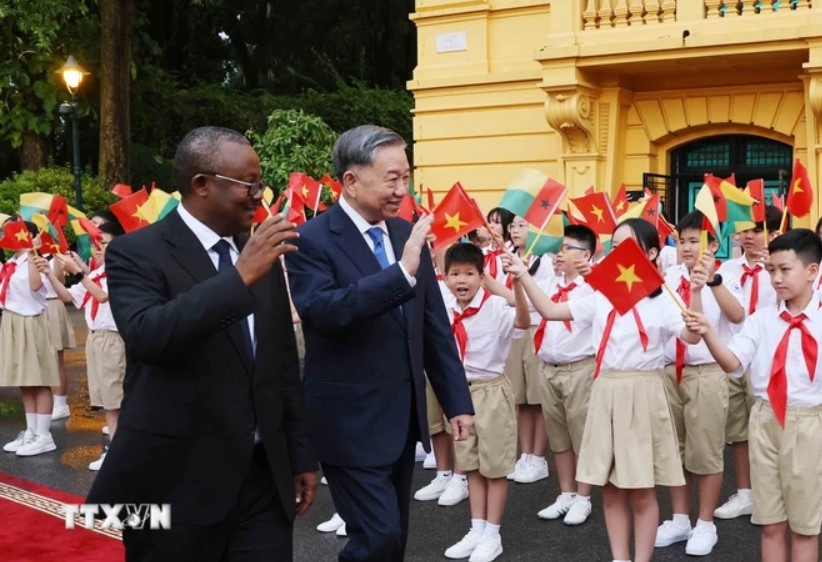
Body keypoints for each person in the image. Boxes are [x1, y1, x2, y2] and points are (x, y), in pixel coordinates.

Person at [86, 126, 318, 561]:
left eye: (260, 182)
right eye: (249, 183)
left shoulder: (257, 251)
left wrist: (300, 456)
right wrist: (238, 278)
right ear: (201, 185)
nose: (259, 194)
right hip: (169, 482)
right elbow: (150, 337)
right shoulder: (136, 252)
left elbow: (282, 366)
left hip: (261, 481)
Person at [286, 124, 474, 561]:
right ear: (351, 180)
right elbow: (325, 311)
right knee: (378, 537)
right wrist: (400, 274)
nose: (401, 189)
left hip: (401, 421)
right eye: (392, 178)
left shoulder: (402, 233)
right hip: (347, 422)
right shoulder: (311, 239)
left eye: (404, 177)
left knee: (394, 540)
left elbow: (432, 328)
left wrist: (456, 401)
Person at [505, 218, 699, 562]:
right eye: (615, 246)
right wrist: (522, 274)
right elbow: (550, 310)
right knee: (610, 488)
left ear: (652, 252)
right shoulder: (599, 295)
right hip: (606, 390)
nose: (618, 253)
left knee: (641, 490)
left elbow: (692, 335)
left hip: (643, 391)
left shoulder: (663, 299)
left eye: (630, 246)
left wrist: (696, 294)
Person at [684, 228, 822, 562]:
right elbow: (732, 363)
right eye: (771, 270)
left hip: (808, 422)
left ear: (812, 271)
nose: (776, 278)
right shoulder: (761, 321)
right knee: (771, 522)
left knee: (805, 526)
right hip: (764, 419)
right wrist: (707, 333)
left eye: (785, 269)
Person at [655, 211, 744, 556]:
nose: (687, 248)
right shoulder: (667, 277)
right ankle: (680, 519)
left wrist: (712, 282)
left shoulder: (725, 275)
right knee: (674, 451)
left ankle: (705, 522)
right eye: (683, 241)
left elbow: (737, 315)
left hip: (706, 373)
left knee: (705, 452)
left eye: (695, 241)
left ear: (712, 243)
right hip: (669, 372)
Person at [439, 243, 529, 562]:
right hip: (459, 394)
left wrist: (513, 286)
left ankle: (493, 534)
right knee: (471, 465)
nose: (461, 280)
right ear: (445, 277)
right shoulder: (446, 308)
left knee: (495, 467)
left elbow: (522, 320)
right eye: (454, 274)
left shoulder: (495, 308)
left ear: (481, 276)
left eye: (469, 274)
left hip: (490, 392)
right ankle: (476, 528)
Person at [37, 221, 126, 471]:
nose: (96, 247)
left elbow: (102, 296)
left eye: (102, 242)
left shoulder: (121, 271)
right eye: (95, 242)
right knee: (106, 399)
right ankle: (117, 450)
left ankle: (120, 453)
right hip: (95, 337)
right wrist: (47, 273)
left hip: (113, 338)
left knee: (116, 399)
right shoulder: (97, 273)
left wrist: (79, 272)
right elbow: (68, 297)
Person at [714, 205, 781, 520]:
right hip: (736, 355)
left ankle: (779, 491)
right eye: (742, 231)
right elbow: (731, 313)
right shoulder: (726, 270)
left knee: (776, 427)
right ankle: (745, 493)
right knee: (738, 428)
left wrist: (773, 271)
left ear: (771, 231)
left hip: (771, 362)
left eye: (754, 230)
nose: (747, 237)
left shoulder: (781, 269)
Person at [531, 225, 597, 526]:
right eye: (561, 247)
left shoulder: (593, 288)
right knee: (559, 437)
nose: (561, 253)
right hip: (548, 368)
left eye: (569, 248)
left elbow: (553, 312)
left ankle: (584, 497)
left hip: (578, 369)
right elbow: (523, 302)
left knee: (581, 435)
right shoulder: (549, 283)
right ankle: (566, 492)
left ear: (586, 254)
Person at [0, 221, 60, 457]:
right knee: (24, 378)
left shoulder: (36, 260)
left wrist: (34, 251)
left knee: (40, 377)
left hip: (31, 321)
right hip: (12, 321)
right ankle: (32, 430)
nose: (6, 236)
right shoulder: (12, 263)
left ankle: (44, 435)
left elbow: (35, 286)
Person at [504, 215, 555, 484]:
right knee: (521, 399)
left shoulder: (545, 261)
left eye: (522, 225)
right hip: (516, 330)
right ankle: (525, 455)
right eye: (512, 226)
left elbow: (537, 301)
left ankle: (538, 457)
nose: (515, 230)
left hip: (537, 329)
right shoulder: (509, 256)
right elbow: (509, 297)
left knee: (538, 399)